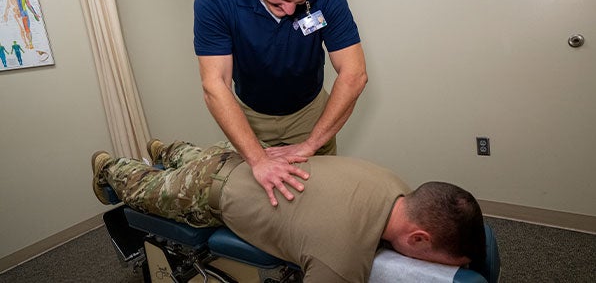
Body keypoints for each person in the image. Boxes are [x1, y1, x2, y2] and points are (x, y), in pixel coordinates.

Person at [92, 139, 486, 282]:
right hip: (204, 193)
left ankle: (167, 149)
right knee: (141, 186)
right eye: (435, 261)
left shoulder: (395, 184)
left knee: (195, 155)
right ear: (418, 238)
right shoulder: (342, 261)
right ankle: (108, 165)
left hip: (242, 157)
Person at [193, 0, 368, 207]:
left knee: (321, 202)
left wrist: (312, 143)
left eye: (300, 1)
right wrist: (258, 159)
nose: (289, 10)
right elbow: (215, 84)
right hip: (251, 118)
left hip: (311, 113)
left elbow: (354, 75)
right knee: (265, 207)